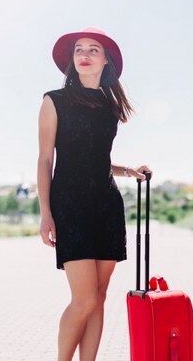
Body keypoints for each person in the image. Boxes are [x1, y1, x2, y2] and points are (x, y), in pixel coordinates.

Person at [37, 27, 152, 361]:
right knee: (84, 299)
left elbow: (95, 157)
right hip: (70, 205)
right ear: (72, 60)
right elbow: (46, 159)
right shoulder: (53, 101)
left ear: (106, 61)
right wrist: (46, 212)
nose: (84, 55)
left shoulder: (109, 106)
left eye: (93, 50)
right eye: (78, 50)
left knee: (99, 297)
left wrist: (129, 170)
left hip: (106, 205)